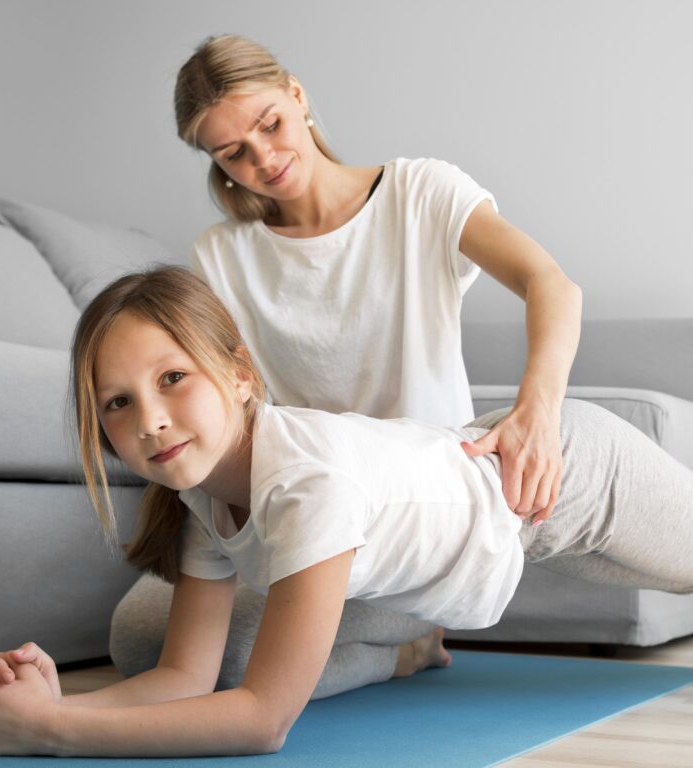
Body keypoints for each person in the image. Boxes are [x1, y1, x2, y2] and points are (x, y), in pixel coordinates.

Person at [0, 268, 693, 757]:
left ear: (240, 375)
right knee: (146, 639)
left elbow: (259, 723)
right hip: (471, 525)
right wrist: (47, 701)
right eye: (117, 405)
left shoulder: (304, 480)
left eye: (173, 380)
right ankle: (411, 647)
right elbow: (182, 673)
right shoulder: (204, 490)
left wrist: (54, 735)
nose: (150, 421)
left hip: (563, 486)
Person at [108, 31, 585, 701]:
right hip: (303, 512)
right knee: (137, 637)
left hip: (412, 518)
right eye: (233, 153)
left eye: (271, 124)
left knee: (234, 657)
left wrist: (538, 411)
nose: (265, 158)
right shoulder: (220, 254)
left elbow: (551, 284)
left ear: (298, 97)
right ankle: (387, 651)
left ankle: (398, 648)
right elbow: (226, 401)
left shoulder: (420, 192)